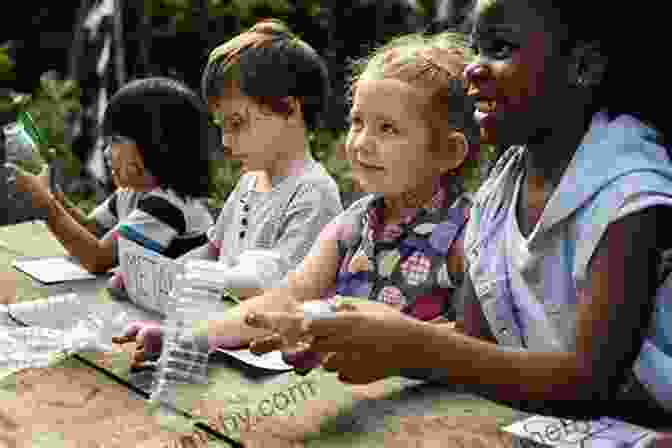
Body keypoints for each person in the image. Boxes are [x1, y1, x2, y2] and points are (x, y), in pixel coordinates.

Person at [247, 0, 672, 431]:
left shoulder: (631, 196)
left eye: (501, 49)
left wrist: (412, 347)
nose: (473, 69)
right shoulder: (501, 191)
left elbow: (586, 384)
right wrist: (364, 336)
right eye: (477, 49)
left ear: (582, 65)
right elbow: (474, 343)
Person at [116, 30, 482, 372]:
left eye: (387, 128)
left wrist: (394, 344)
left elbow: (479, 344)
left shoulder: (467, 235)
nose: (361, 143)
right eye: (358, 122)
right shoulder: (352, 226)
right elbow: (283, 300)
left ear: (448, 151)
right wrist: (190, 339)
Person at [112, 19, 343, 365]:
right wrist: (160, 278)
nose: (225, 140)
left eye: (237, 123)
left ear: (289, 109)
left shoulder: (314, 193)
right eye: (221, 126)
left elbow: (281, 288)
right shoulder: (250, 181)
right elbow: (213, 249)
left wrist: (195, 278)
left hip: (266, 353)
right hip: (218, 333)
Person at [6, 77, 214, 275]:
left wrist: (48, 207)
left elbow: (98, 259)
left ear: (155, 145)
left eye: (115, 141)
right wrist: (55, 196)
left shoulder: (167, 205)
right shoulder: (130, 194)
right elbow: (93, 231)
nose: (105, 152)